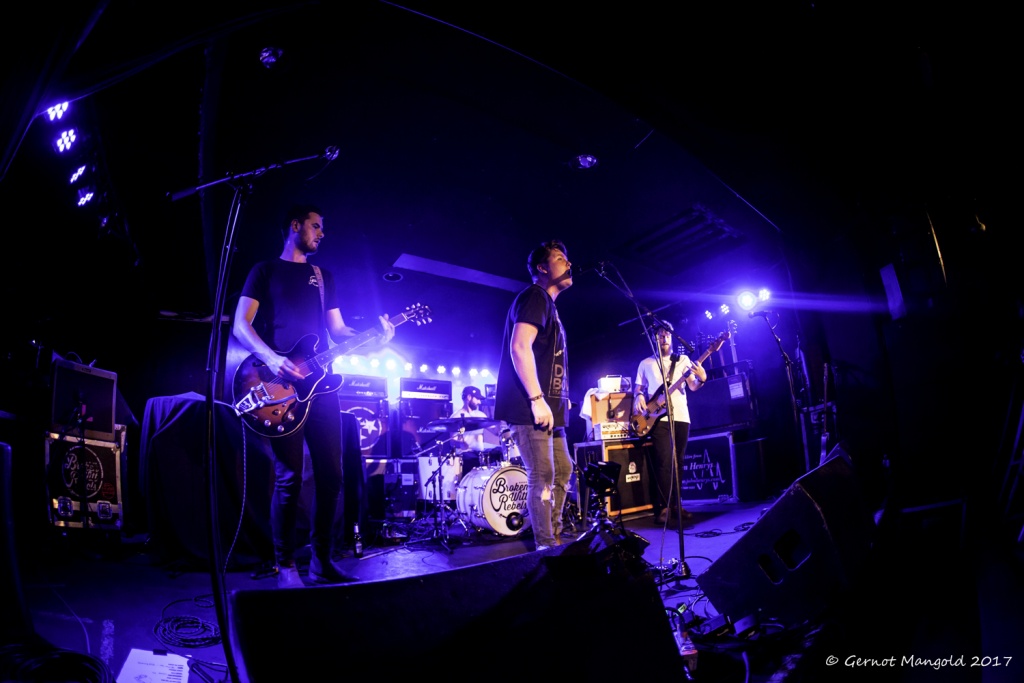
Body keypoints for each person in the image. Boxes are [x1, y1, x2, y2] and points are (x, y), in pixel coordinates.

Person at [232, 203, 395, 588]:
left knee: (332, 476)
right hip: (278, 386)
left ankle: (321, 561)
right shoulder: (264, 271)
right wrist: (272, 359)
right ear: (295, 226)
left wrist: (375, 340)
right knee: (289, 478)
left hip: (321, 388)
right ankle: (286, 565)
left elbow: (338, 332)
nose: (322, 233)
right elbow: (241, 325)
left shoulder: (323, 277)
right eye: (316, 226)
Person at [494, 240, 574, 551]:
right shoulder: (535, 296)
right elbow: (519, 347)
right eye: (560, 258)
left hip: (551, 410)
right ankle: (546, 547)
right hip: (530, 408)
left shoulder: (549, 305)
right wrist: (537, 399)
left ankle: (554, 536)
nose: (569, 263)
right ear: (542, 268)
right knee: (542, 475)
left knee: (563, 471)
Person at [632, 322, 707, 525]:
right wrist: (638, 395)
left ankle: (677, 505)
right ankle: (664, 506)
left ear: (671, 337)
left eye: (667, 334)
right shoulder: (645, 363)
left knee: (678, 462)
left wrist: (702, 378)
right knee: (664, 462)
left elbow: (693, 386)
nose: (663, 338)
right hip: (658, 418)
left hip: (681, 416)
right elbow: (638, 388)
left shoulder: (683, 360)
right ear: (654, 338)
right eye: (660, 335)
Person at [452, 385, 490, 453]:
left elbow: (494, 429)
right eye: (477, 399)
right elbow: (452, 442)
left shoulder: (481, 415)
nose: (479, 402)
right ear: (469, 397)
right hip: (464, 455)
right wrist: (461, 444)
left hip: (480, 455)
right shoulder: (456, 417)